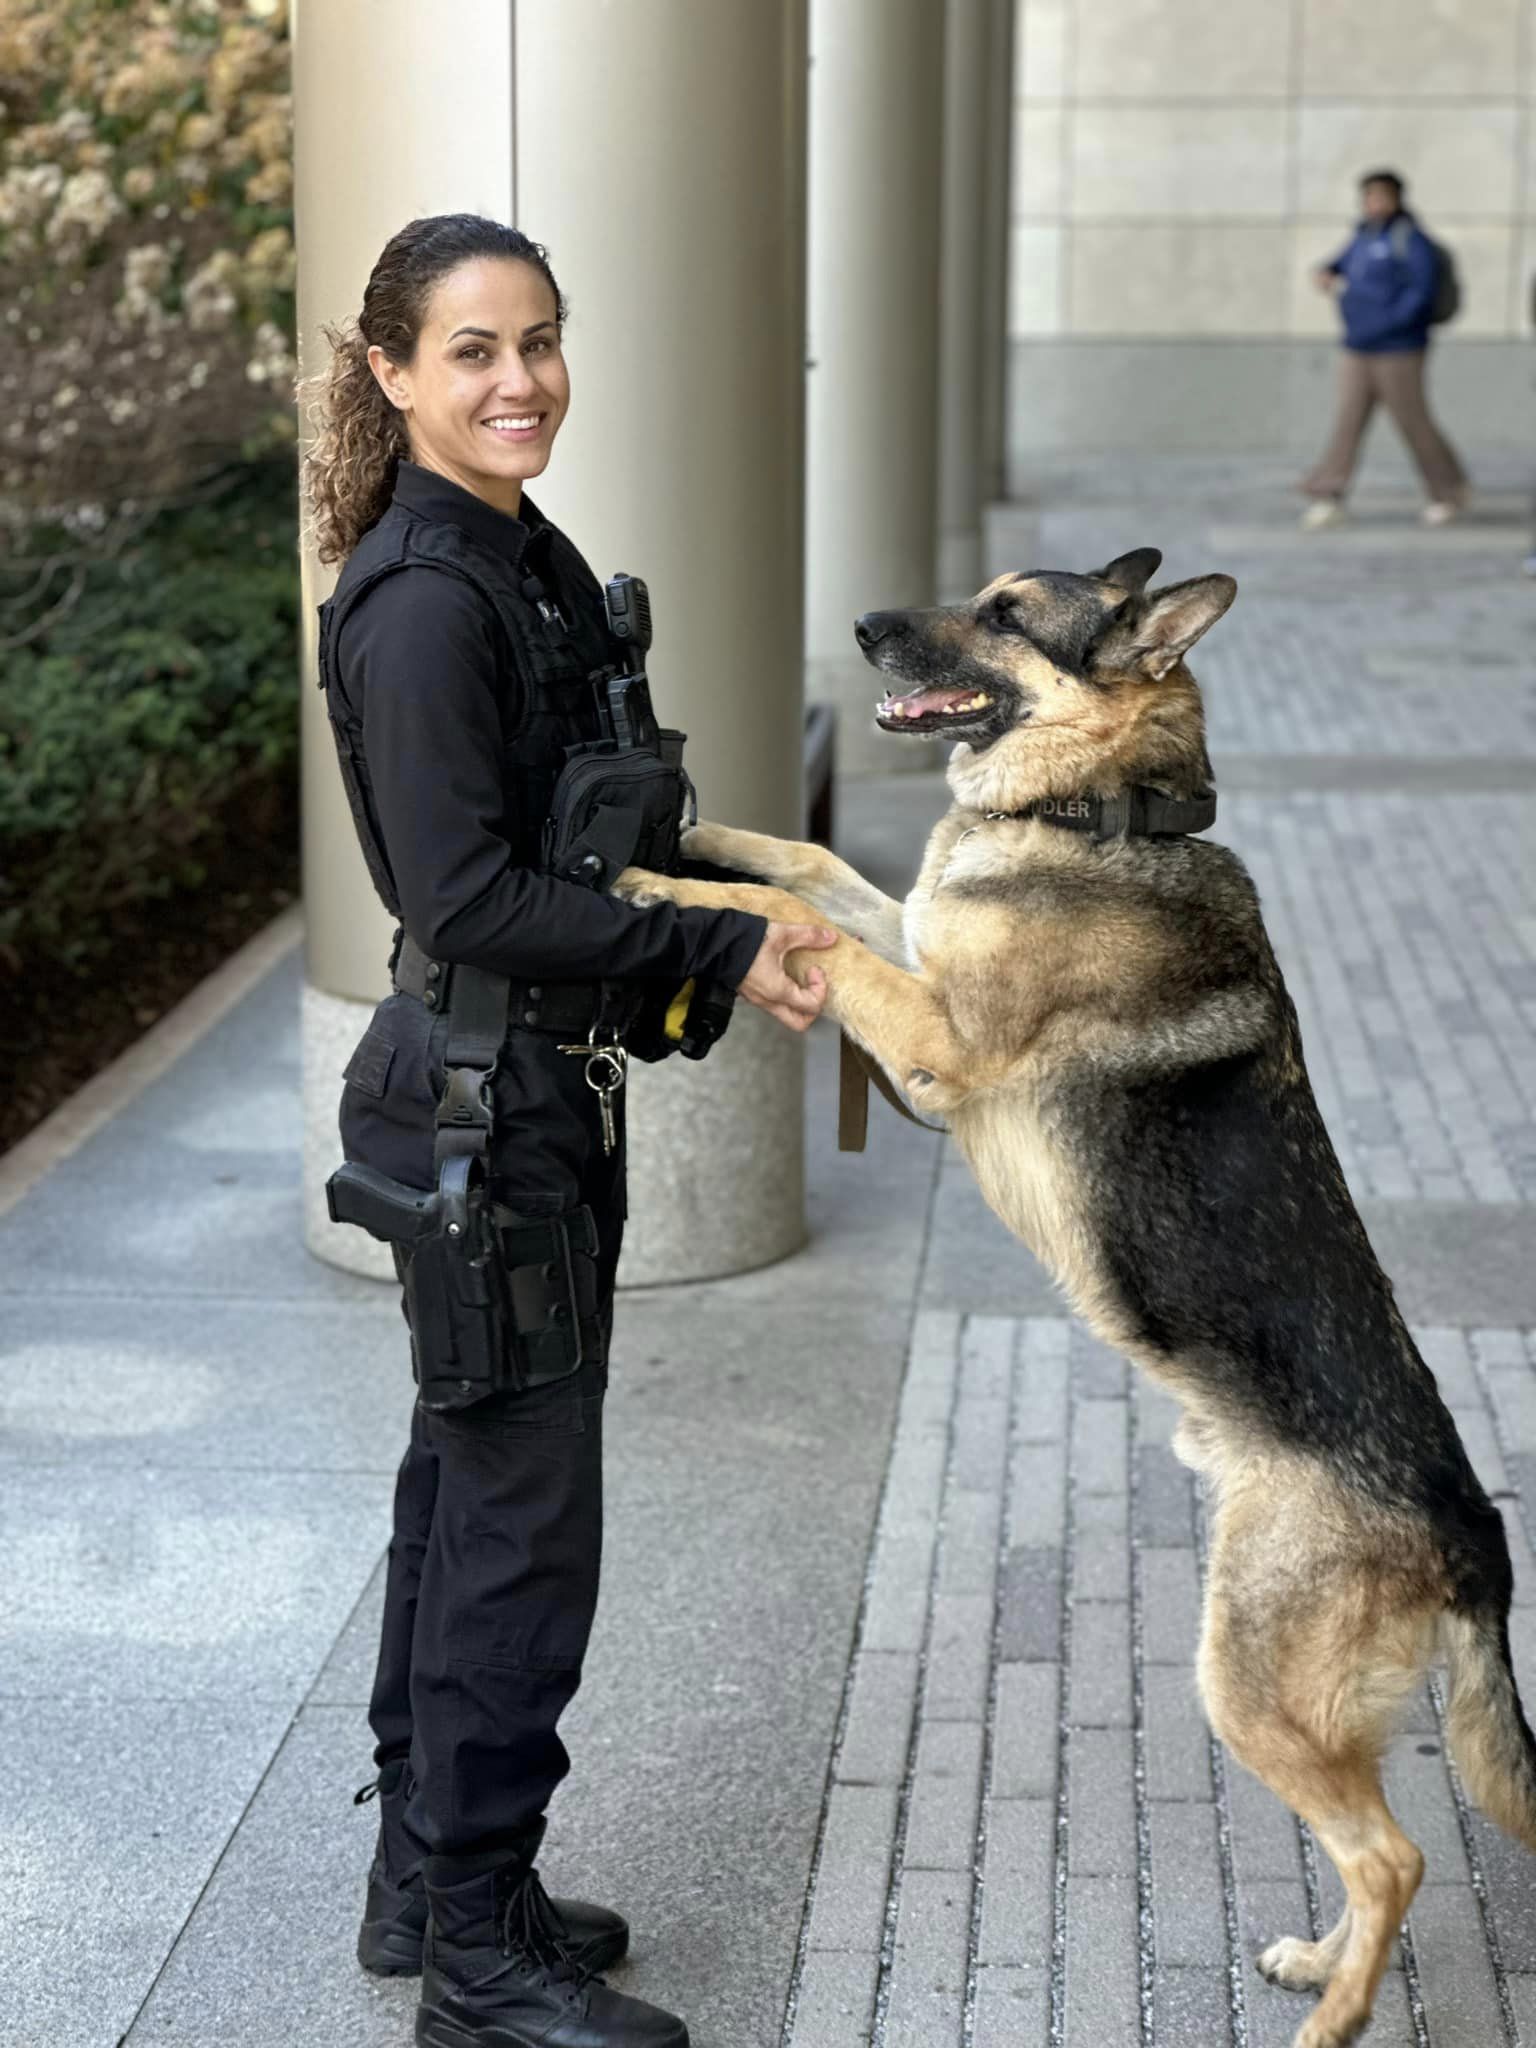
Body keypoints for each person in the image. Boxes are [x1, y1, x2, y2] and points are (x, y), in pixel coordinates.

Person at [303, 213, 835, 2048]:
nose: (521, 378)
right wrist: (721, 942)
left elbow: (585, 831)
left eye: (538, 340)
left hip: (525, 1096)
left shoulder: (522, 554)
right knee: (522, 1533)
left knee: (466, 1494)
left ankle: (428, 1883)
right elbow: (463, 897)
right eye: (473, 350)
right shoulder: (425, 601)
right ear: (392, 372)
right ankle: (478, 1959)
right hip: (480, 1104)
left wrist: (733, 902)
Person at [1299, 167, 1468, 530]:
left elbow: (1420, 294)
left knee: (1412, 420)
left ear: (1396, 199)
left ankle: (1448, 490)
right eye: (1368, 196)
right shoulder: (1363, 236)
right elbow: (1337, 263)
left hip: (1398, 349)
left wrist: (1389, 324)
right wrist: (1325, 272)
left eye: (1380, 196)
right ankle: (1328, 491)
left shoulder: (1410, 241)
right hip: (1358, 346)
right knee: (1348, 418)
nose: (1373, 203)